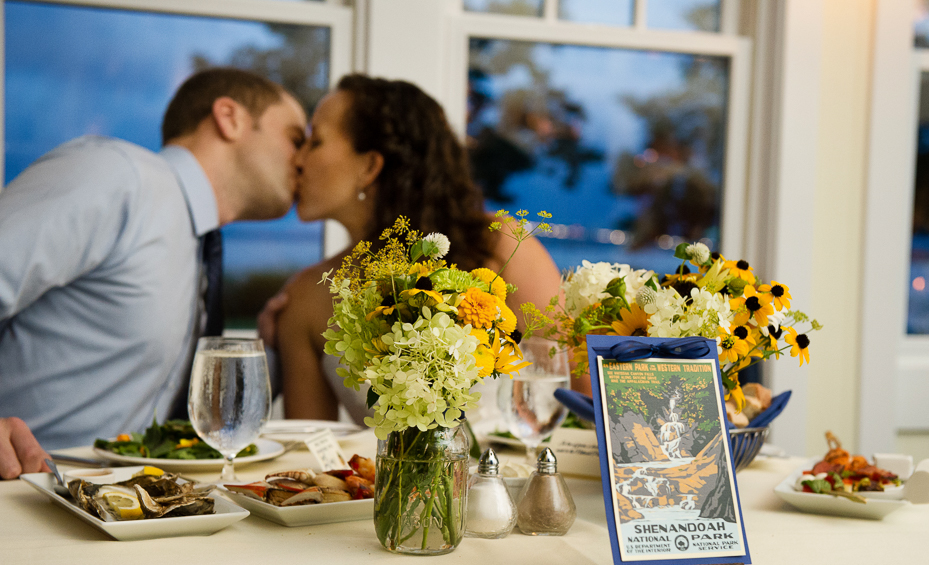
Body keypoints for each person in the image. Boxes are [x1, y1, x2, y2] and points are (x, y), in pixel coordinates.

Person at [0, 68, 307, 478]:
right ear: (229, 118)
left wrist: (278, 352)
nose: (304, 159)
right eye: (296, 139)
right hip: (20, 499)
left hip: (118, 510)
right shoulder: (116, 177)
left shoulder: (197, 243)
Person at [271, 74, 562, 423]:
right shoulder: (304, 299)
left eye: (314, 142)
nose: (298, 160)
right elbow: (313, 459)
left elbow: (583, 401)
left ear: (369, 167)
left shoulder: (500, 246)